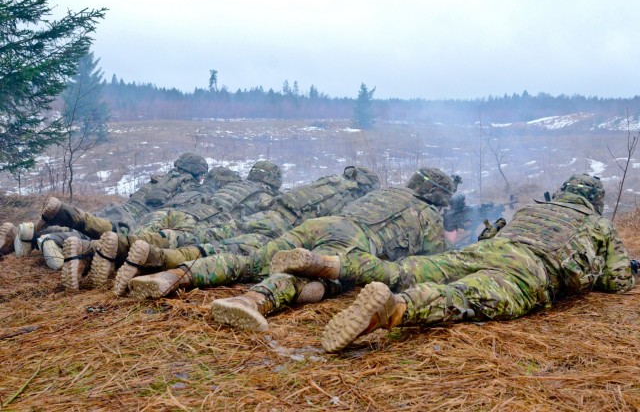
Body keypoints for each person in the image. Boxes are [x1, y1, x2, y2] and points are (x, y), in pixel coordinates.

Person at [318, 174, 636, 353]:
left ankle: (332, 264)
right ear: (595, 202)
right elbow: (617, 282)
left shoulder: (532, 210)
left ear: (564, 191)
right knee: (463, 296)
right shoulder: (599, 225)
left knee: (406, 269)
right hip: (529, 270)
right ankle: (394, 308)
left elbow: (490, 237)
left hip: (489, 250)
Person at [200, 167, 458, 332]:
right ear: (439, 195)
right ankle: (249, 301)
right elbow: (430, 261)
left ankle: (175, 270)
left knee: (254, 261)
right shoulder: (428, 213)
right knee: (310, 277)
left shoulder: (386, 192)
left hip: (323, 225)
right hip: (353, 241)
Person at [122, 166, 381, 299]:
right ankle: (165, 269)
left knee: (211, 240)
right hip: (280, 230)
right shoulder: (353, 199)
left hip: (261, 217)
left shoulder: (327, 181)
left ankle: (144, 252)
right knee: (240, 260)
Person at [61, 160, 282, 291]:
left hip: (179, 213)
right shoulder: (266, 197)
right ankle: (130, 259)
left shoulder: (234, 185)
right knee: (169, 250)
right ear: (274, 181)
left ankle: (85, 250)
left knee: (141, 237)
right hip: (201, 224)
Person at [3, 152, 209, 262]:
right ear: (197, 173)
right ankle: (54, 240)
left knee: (80, 225)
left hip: (119, 208)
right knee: (93, 236)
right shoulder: (188, 187)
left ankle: (33, 233)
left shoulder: (159, 179)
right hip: (131, 220)